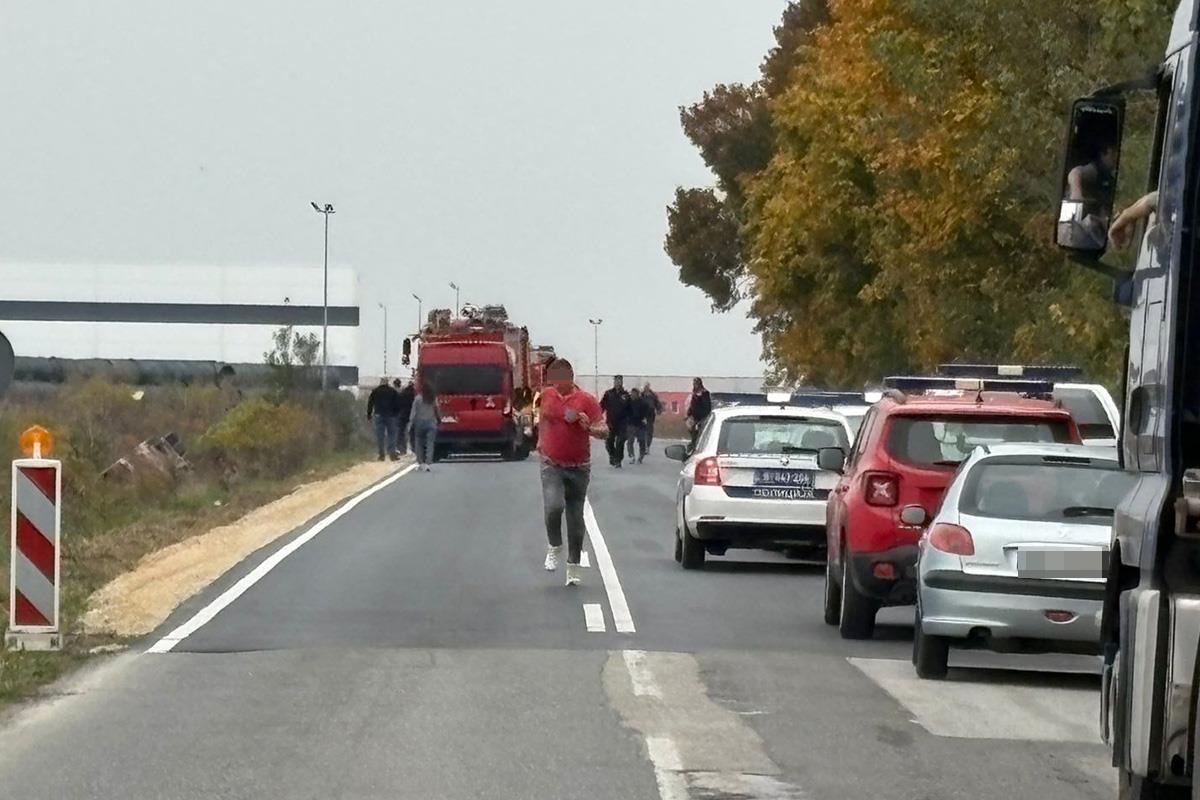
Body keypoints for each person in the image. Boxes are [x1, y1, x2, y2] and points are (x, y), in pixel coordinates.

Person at [537, 358, 605, 586]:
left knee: (575, 518)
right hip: (551, 463)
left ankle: (573, 566)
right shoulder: (547, 395)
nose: (555, 383)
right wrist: (540, 440)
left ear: (570, 377)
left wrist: (589, 427)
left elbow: (604, 430)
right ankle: (554, 545)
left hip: (578, 467)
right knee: (554, 505)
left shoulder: (586, 400)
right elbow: (543, 419)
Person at [366, 377, 402, 461]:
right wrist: (396, 414)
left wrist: (369, 414)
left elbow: (370, 403)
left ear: (381, 382)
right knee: (392, 435)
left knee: (380, 436)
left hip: (378, 415)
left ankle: (381, 455)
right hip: (391, 416)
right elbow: (397, 404)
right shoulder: (392, 391)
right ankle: (392, 454)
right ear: (387, 382)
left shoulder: (375, 391)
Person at [600, 374, 631, 468]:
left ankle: (618, 460)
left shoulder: (626, 395)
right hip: (611, 421)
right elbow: (601, 406)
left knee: (620, 441)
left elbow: (631, 409)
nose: (618, 382)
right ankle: (612, 456)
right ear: (614, 382)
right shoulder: (608, 394)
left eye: (619, 381)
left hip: (622, 422)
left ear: (622, 382)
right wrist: (596, 416)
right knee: (609, 441)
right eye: (616, 381)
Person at [411, 381, 440, 472]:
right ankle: (428, 463)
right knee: (430, 443)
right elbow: (437, 410)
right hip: (431, 423)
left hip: (419, 423)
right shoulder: (433, 399)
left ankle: (420, 462)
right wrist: (439, 420)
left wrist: (411, 423)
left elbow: (413, 412)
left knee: (418, 443)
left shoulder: (418, 399)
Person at [686, 377, 712, 449]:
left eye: (696, 383)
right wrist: (689, 413)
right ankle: (693, 443)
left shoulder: (704, 393)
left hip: (702, 416)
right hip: (694, 416)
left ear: (700, 384)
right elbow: (692, 404)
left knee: (699, 430)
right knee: (691, 428)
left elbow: (707, 406)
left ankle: (698, 444)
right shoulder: (694, 393)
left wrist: (699, 397)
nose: (695, 385)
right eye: (694, 383)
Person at [626, 388, 650, 464]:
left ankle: (641, 456)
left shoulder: (643, 403)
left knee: (642, 441)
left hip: (641, 424)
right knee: (630, 441)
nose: (633, 395)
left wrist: (646, 418)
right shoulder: (628, 402)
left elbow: (648, 412)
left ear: (637, 394)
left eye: (634, 394)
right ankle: (632, 456)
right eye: (632, 393)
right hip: (631, 424)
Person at [394, 378, 415, 456]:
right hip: (413, 414)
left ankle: (401, 449)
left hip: (403, 414)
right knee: (412, 432)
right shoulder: (415, 393)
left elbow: (398, 403)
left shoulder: (403, 393)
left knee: (401, 432)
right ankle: (414, 448)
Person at [642, 382, 664, 451]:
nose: (646, 388)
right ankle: (643, 446)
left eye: (647, 386)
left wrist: (659, 410)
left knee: (649, 431)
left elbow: (657, 404)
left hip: (650, 416)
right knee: (643, 431)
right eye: (645, 386)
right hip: (642, 416)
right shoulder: (641, 395)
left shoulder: (653, 395)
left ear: (649, 387)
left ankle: (647, 446)